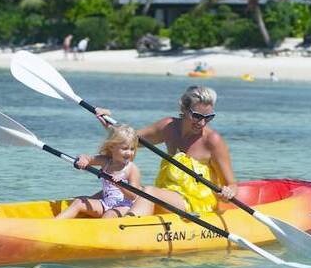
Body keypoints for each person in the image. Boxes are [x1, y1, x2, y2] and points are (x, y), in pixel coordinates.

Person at [97, 86, 237, 218]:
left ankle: (125, 226)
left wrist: (228, 192)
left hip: (196, 202)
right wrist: (109, 125)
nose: (202, 123)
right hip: (167, 194)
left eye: (208, 117)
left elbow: (231, 184)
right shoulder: (169, 127)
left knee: (148, 192)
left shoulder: (213, 140)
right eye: (197, 116)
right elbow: (131, 141)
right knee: (134, 191)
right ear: (184, 109)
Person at [55, 125, 142, 219]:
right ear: (112, 147)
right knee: (78, 202)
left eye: (132, 149)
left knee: (108, 215)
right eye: (125, 148)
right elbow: (87, 157)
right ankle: (53, 224)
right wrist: (84, 160)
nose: (129, 152)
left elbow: (133, 195)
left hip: (123, 206)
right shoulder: (105, 161)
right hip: (105, 203)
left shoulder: (132, 169)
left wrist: (120, 185)